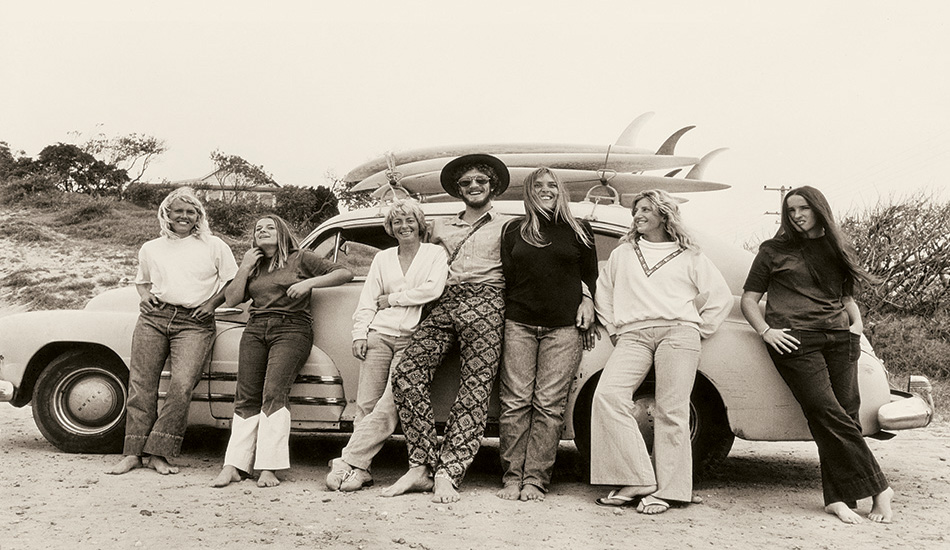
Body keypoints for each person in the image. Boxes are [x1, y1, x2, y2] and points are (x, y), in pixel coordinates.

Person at [740, 186, 893, 524]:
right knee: (824, 410)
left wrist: (857, 325)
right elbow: (749, 299)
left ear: (818, 209)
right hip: (794, 341)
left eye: (803, 208)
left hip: (841, 339)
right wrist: (767, 332)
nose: (796, 216)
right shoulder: (773, 250)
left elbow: (845, 297)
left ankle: (839, 498)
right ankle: (880, 488)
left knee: (844, 416)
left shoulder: (836, 247)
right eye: (791, 210)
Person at [591, 189, 732, 514]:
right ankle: (637, 479)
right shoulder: (624, 253)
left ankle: (669, 491)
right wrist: (614, 329)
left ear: (664, 214)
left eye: (645, 209)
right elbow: (604, 292)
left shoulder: (689, 254)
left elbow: (720, 297)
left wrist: (698, 330)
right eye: (636, 210)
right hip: (634, 335)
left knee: (672, 411)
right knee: (608, 397)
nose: (637, 215)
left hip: (678, 333)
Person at [382, 153, 511, 503]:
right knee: (407, 371)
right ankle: (421, 466)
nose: (473, 187)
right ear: (458, 190)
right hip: (445, 301)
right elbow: (405, 236)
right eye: (466, 182)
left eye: (480, 181)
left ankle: (449, 473)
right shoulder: (439, 227)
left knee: (475, 387)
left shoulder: (509, 224)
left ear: (492, 185)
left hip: (488, 301)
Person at [212, 215, 352, 488]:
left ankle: (268, 468)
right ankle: (234, 465)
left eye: (270, 227)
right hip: (255, 329)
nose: (263, 231)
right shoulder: (254, 264)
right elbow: (232, 299)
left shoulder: (301, 258)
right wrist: (244, 266)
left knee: (274, 392)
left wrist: (308, 283)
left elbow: (343, 272)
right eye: (258, 229)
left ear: (282, 232)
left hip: (292, 328)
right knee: (246, 394)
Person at [108, 187, 238, 475]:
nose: (184, 216)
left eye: (191, 212)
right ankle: (132, 453)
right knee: (141, 385)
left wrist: (212, 304)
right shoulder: (151, 247)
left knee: (181, 385)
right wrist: (144, 296)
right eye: (178, 210)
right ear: (166, 213)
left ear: (199, 216)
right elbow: (142, 281)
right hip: (154, 317)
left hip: (195, 321)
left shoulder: (214, 245)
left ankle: (159, 453)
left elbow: (232, 281)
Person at [325, 199, 448, 492]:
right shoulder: (383, 258)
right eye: (397, 222)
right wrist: (359, 334)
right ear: (390, 228)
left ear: (420, 224)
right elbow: (369, 299)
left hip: (413, 338)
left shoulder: (434, 253)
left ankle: (346, 461)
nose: (404, 227)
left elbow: (433, 289)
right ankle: (362, 470)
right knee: (365, 403)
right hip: (379, 334)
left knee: (389, 404)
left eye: (409, 221)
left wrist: (393, 299)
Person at [496, 167, 598, 502]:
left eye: (551, 185)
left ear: (561, 190)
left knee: (549, 405)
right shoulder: (514, 230)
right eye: (537, 185)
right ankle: (513, 477)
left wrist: (588, 300)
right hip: (519, 323)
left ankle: (536, 479)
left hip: (563, 328)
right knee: (515, 402)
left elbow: (591, 277)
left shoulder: (579, 229)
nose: (545, 189)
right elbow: (508, 278)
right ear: (529, 191)